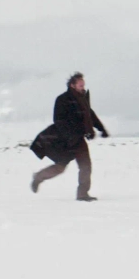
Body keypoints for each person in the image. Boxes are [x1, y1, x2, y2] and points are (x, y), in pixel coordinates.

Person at [30, 72, 108, 200]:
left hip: (78, 139)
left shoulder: (83, 100)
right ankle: (38, 177)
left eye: (83, 85)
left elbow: (90, 115)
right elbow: (58, 120)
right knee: (60, 167)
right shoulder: (62, 99)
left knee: (85, 166)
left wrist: (101, 129)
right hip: (64, 140)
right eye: (80, 85)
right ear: (72, 85)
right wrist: (71, 135)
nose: (83, 87)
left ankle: (82, 194)